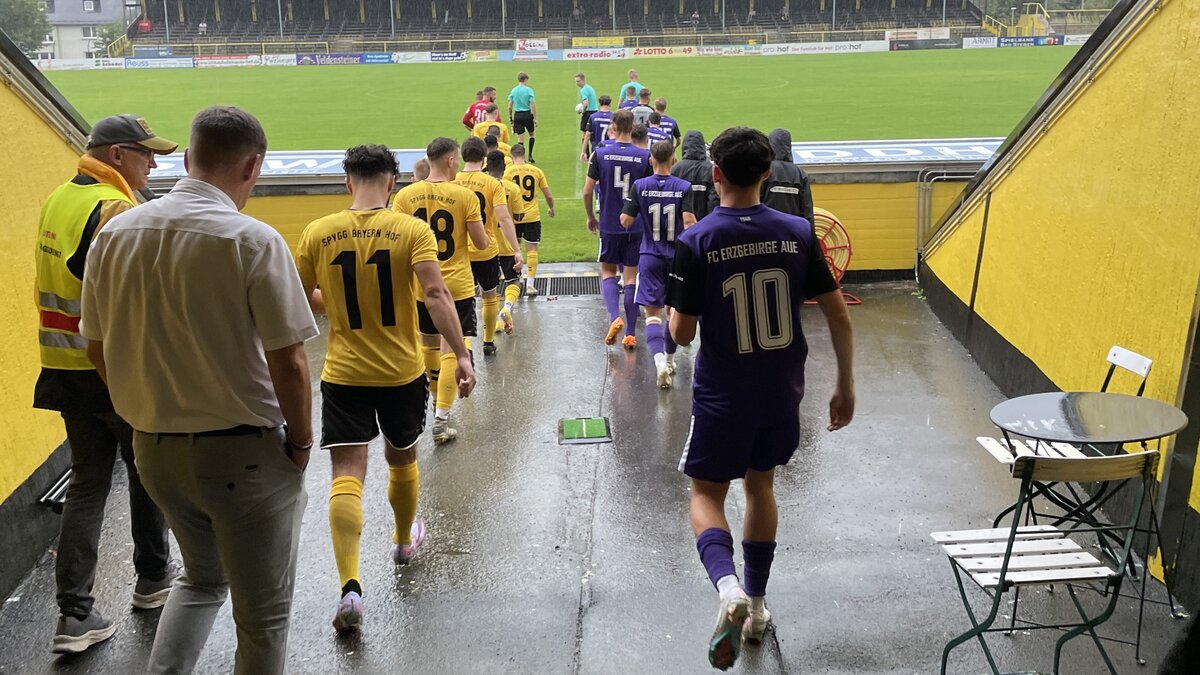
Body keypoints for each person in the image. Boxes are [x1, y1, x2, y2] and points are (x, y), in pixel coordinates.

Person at [79, 106, 318, 674]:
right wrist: (302, 443)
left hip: (155, 452)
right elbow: (290, 363)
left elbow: (96, 347)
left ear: (187, 159)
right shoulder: (252, 240)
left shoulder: (115, 234)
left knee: (202, 579)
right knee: (263, 619)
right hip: (244, 456)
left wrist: (143, 412)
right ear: (253, 166)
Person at [666, 127, 854, 670]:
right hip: (781, 390)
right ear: (767, 175)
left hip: (723, 394)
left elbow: (681, 334)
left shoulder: (698, 240)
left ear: (716, 175)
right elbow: (837, 314)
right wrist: (845, 383)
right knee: (761, 486)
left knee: (706, 494)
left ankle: (728, 589)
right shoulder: (798, 232)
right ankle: (757, 605)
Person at [295, 145, 475, 636]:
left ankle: (350, 588)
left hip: (344, 374)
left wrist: (333, 301)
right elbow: (435, 294)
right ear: (392, 182)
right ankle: (401, 541)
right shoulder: (411, 230)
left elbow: (298, 297)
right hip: (400, 372)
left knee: (346, 475)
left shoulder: (317, 231)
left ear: (347, 182)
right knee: (402, 457)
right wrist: (461, 353)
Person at [34, 114, 176, 655]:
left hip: (64, 369)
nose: (153, 164)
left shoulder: (59, 198)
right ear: (117, 155)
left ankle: (74, 615)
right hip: (112, 367)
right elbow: (141, 296)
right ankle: (154, 579)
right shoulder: (115, 209)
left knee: (88, 484)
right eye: (146, 153)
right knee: (148, 472)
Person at [392, 138, 489, 444]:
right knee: (453, 347)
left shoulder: (405, 196)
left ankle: (436, 399)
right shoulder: (464, 196)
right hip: (455, 285)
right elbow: (481, 243)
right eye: (456, 160)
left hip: (421, 285)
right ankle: (442, 417)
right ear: (449, 160)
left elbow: (397, 241)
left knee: (430, 344)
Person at [619, 141, 692, 388]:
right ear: (674, 159)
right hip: (676, 258)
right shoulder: (683, 187)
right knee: (672, 311)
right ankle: (670, 360)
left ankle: (659, 361)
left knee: (652, 315)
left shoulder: (640, 186)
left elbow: (626, 219)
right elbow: (690, 223)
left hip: (650, 256)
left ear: (651, 160)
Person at [583, 109, 650, 349]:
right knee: (631, 277)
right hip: (636, 225)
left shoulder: (600, 153)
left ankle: (614, 317)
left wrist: (591, 217)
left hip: (610, 224)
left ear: (613, 127)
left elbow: (587, 191)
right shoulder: (645, 156)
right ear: (632, 128)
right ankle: (630, 333)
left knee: (608, 272)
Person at [455, 137, 521, 356]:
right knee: (489, 295)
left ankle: (464, 343)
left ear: (463, 156)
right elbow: (504, 217)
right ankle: (488, 341)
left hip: (460, 251)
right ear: (483, 157)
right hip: (486, 249)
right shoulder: (492, 184)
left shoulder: (452, 181)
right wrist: (516, 249)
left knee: (463, 299)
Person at [504, 143, 554, 299]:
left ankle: (518, 278)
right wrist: (551, 208)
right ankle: (531, 284)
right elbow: (548, 194)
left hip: (514, 217)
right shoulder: (536, 171)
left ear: (512, 156)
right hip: (532, 216)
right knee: (532, 250)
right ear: (524, 155)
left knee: (515, 248)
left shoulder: (508, 172)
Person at [488, 150, 526, 335]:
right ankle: (507, 307)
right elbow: (518, 216)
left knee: (490, 288)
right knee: (514, 281)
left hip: (486, 246)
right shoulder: (512, 188)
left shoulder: (480, 187)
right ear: (504, 168)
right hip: (507, 244)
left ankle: (495, 323)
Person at [761, 128, 814, 226]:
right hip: (792, 230)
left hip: (767, 228)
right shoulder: (800, 173)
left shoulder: (764, 170)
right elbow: (807, 210)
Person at [672, 130, 720, 222]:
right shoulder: (711, 169)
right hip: (704, 224)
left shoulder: (675, 170)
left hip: (682, 224)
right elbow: (713, 202)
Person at [507, 72, 538, 162]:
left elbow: (510, 105)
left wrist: (510, 116)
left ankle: (521, 158)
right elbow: (532, 104)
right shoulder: (529, 90)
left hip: (518, 115)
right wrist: (535, 118)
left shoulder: (514, 90)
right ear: (525, 79)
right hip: (527, 114)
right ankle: (530, 155)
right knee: (531, 134)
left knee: (520, 138)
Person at [580, 94, 614, 162]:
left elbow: (587, 135)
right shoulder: (614, 117)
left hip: (596, 150)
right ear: (610, 104)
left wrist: (583, 152)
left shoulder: (593, 117)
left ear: (599, 104)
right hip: (610, 151)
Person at [575, 73, 599, 151]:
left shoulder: (583, 90)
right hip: (595, 112)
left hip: (588, 113)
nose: (576, 83)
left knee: (585, 135)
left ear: (583, 80)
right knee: (593, 135)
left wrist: (583, 112)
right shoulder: (590, 88)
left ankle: (585, 154)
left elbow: (585, 103)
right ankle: (595, 152)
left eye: (578, 81)